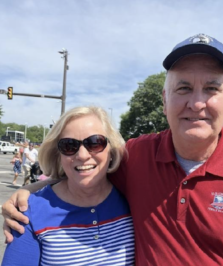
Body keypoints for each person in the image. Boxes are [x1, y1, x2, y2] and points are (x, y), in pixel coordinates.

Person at [2, 34, 223, 265]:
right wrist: (29, 192)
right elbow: (86, 168)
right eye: (183, 88)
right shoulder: (136, 156)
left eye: (211, 88)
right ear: (164, 100)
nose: (196, 103)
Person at [1, 106, 135, 266]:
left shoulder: (133, 198)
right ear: (59, 155)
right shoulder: (28, 213)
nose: (82, 155)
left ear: (111, 150)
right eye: (69, 145)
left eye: (95, 143)